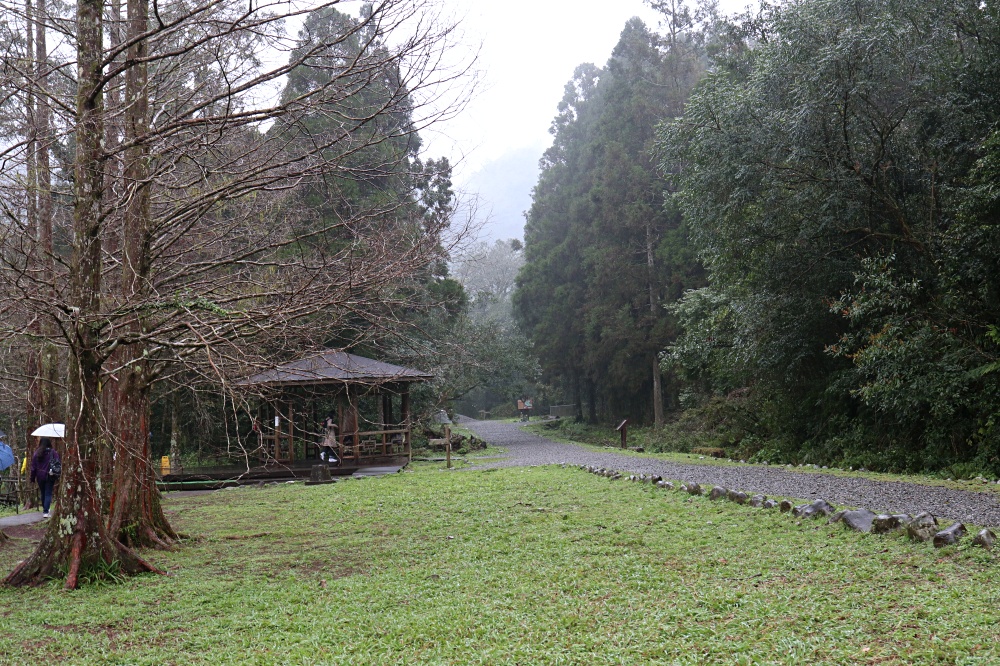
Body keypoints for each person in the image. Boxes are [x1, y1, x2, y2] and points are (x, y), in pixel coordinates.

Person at [29, 438, 60, 518]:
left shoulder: (37, 453)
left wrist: (32, 478)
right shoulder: (53, 452)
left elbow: (33, 467)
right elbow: (57, 463)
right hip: (50, 475)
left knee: (43, 493)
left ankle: (45, 509)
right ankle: (46, 511)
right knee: (48, 493)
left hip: (39, 476)